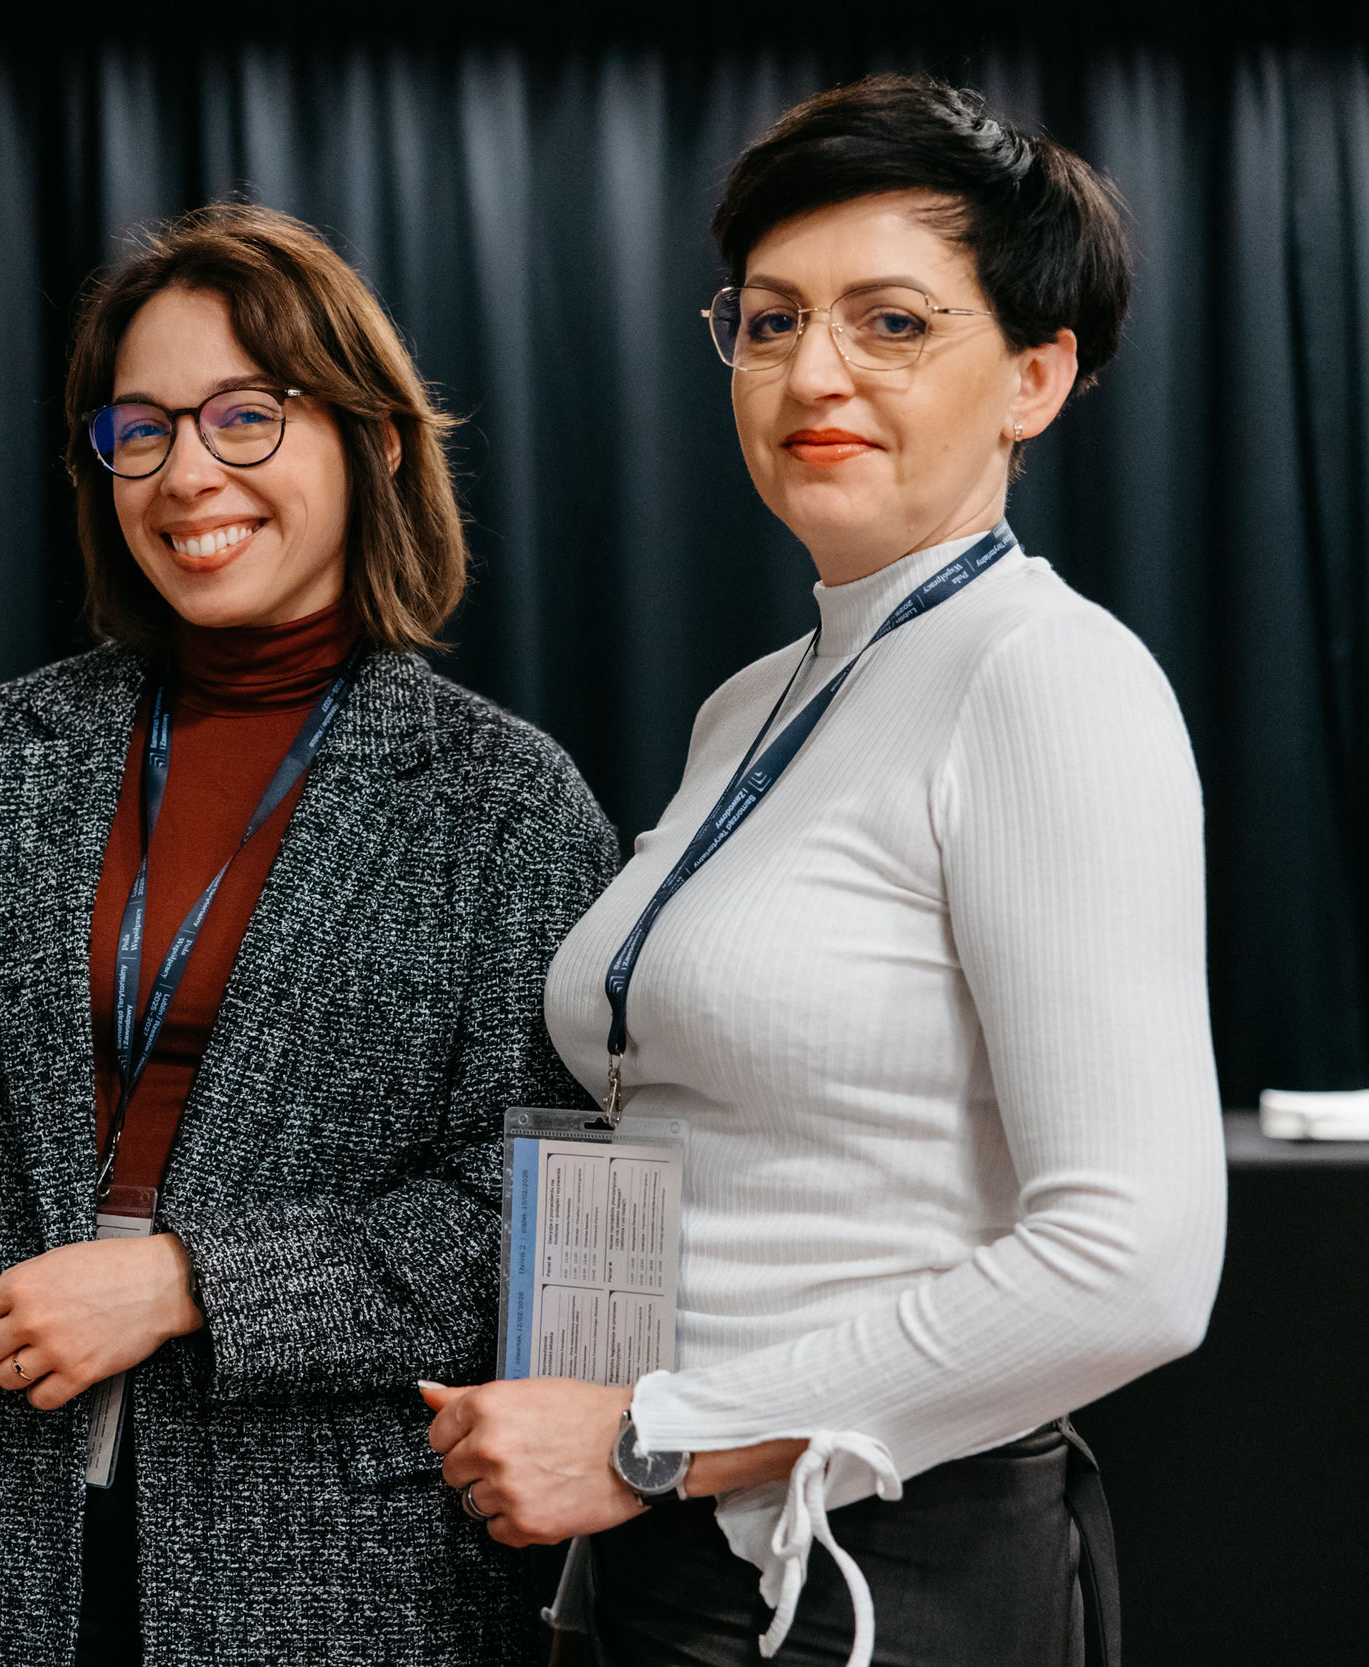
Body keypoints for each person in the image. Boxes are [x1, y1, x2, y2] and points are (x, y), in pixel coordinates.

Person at [424, 76, 1226, 1667]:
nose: (813, 372)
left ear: (1036, 378)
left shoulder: (1047, 676)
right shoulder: (756, 701)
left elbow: (1134, 1267)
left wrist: (654, 1437)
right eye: (772, 320)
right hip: (667, 1545)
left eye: (894, 323)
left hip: (870, 1575)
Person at [0, 203, 622, 1665]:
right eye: (142, 429)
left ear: (376, 443)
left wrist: (188, 1282)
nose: (186, 475)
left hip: (350, 1582)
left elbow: (533, 1226)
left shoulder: (504, 800)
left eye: (248, 417)